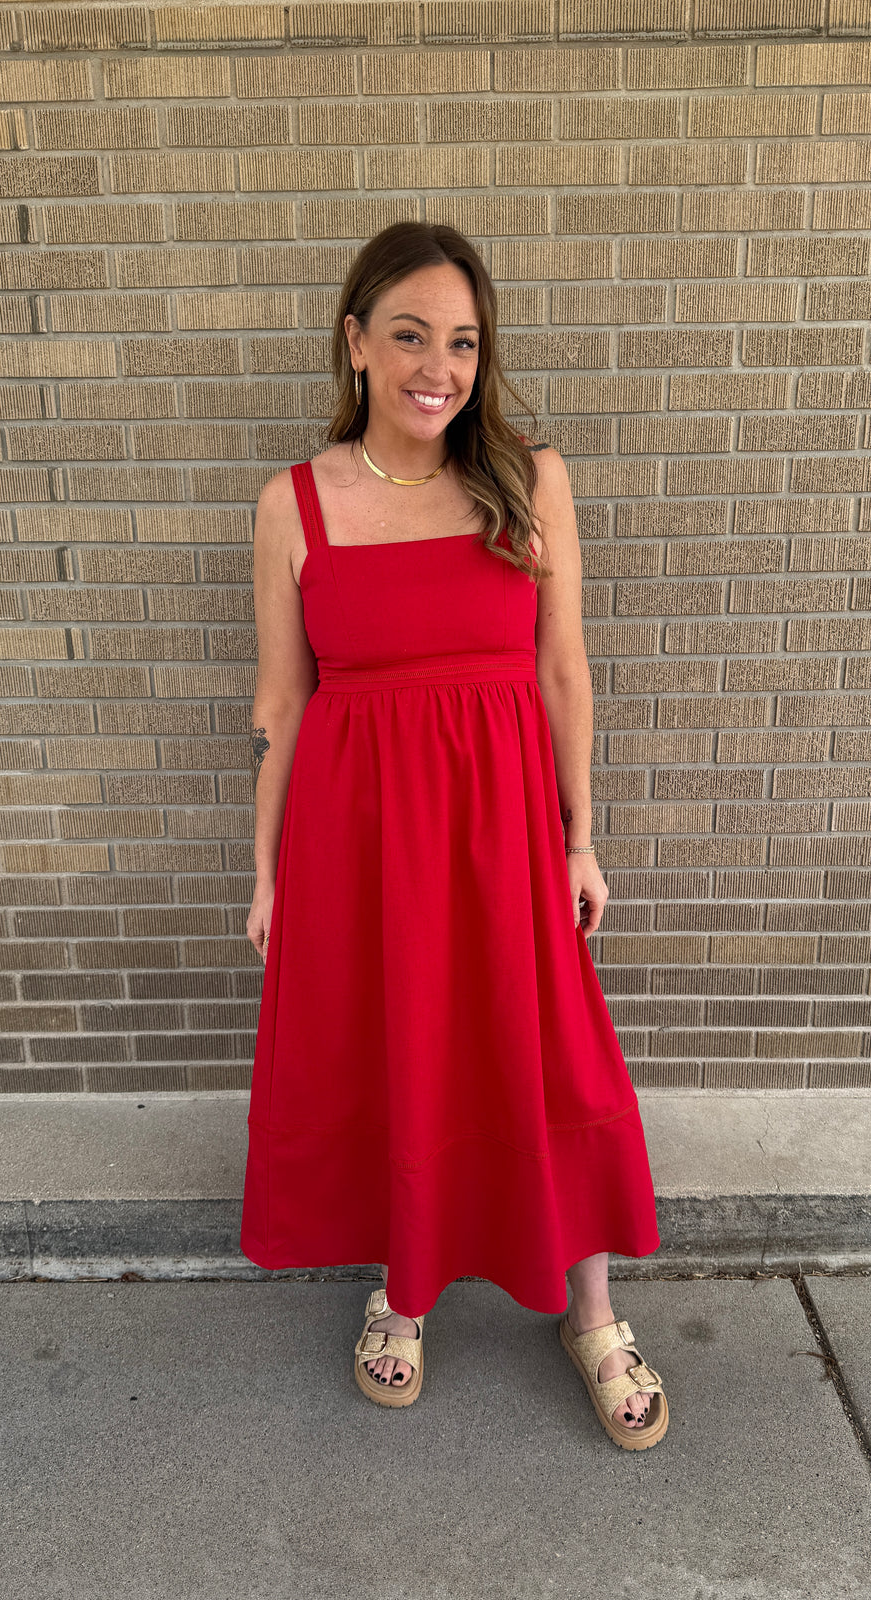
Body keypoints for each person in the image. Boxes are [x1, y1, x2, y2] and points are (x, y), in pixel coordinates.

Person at [241, 222, 669, 1450]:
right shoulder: (293, 503)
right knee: (399, 1052)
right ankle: (405, 1286)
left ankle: (593, 1313)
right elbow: (281, 705)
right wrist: (267, 873)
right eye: (411, 335)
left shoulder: (528, 480)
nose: (440, 367)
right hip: (359, 840)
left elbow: (564, 672)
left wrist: (580, 839)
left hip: (504, 832)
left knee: (551, 1055)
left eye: (464, 342)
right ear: (356, 342)